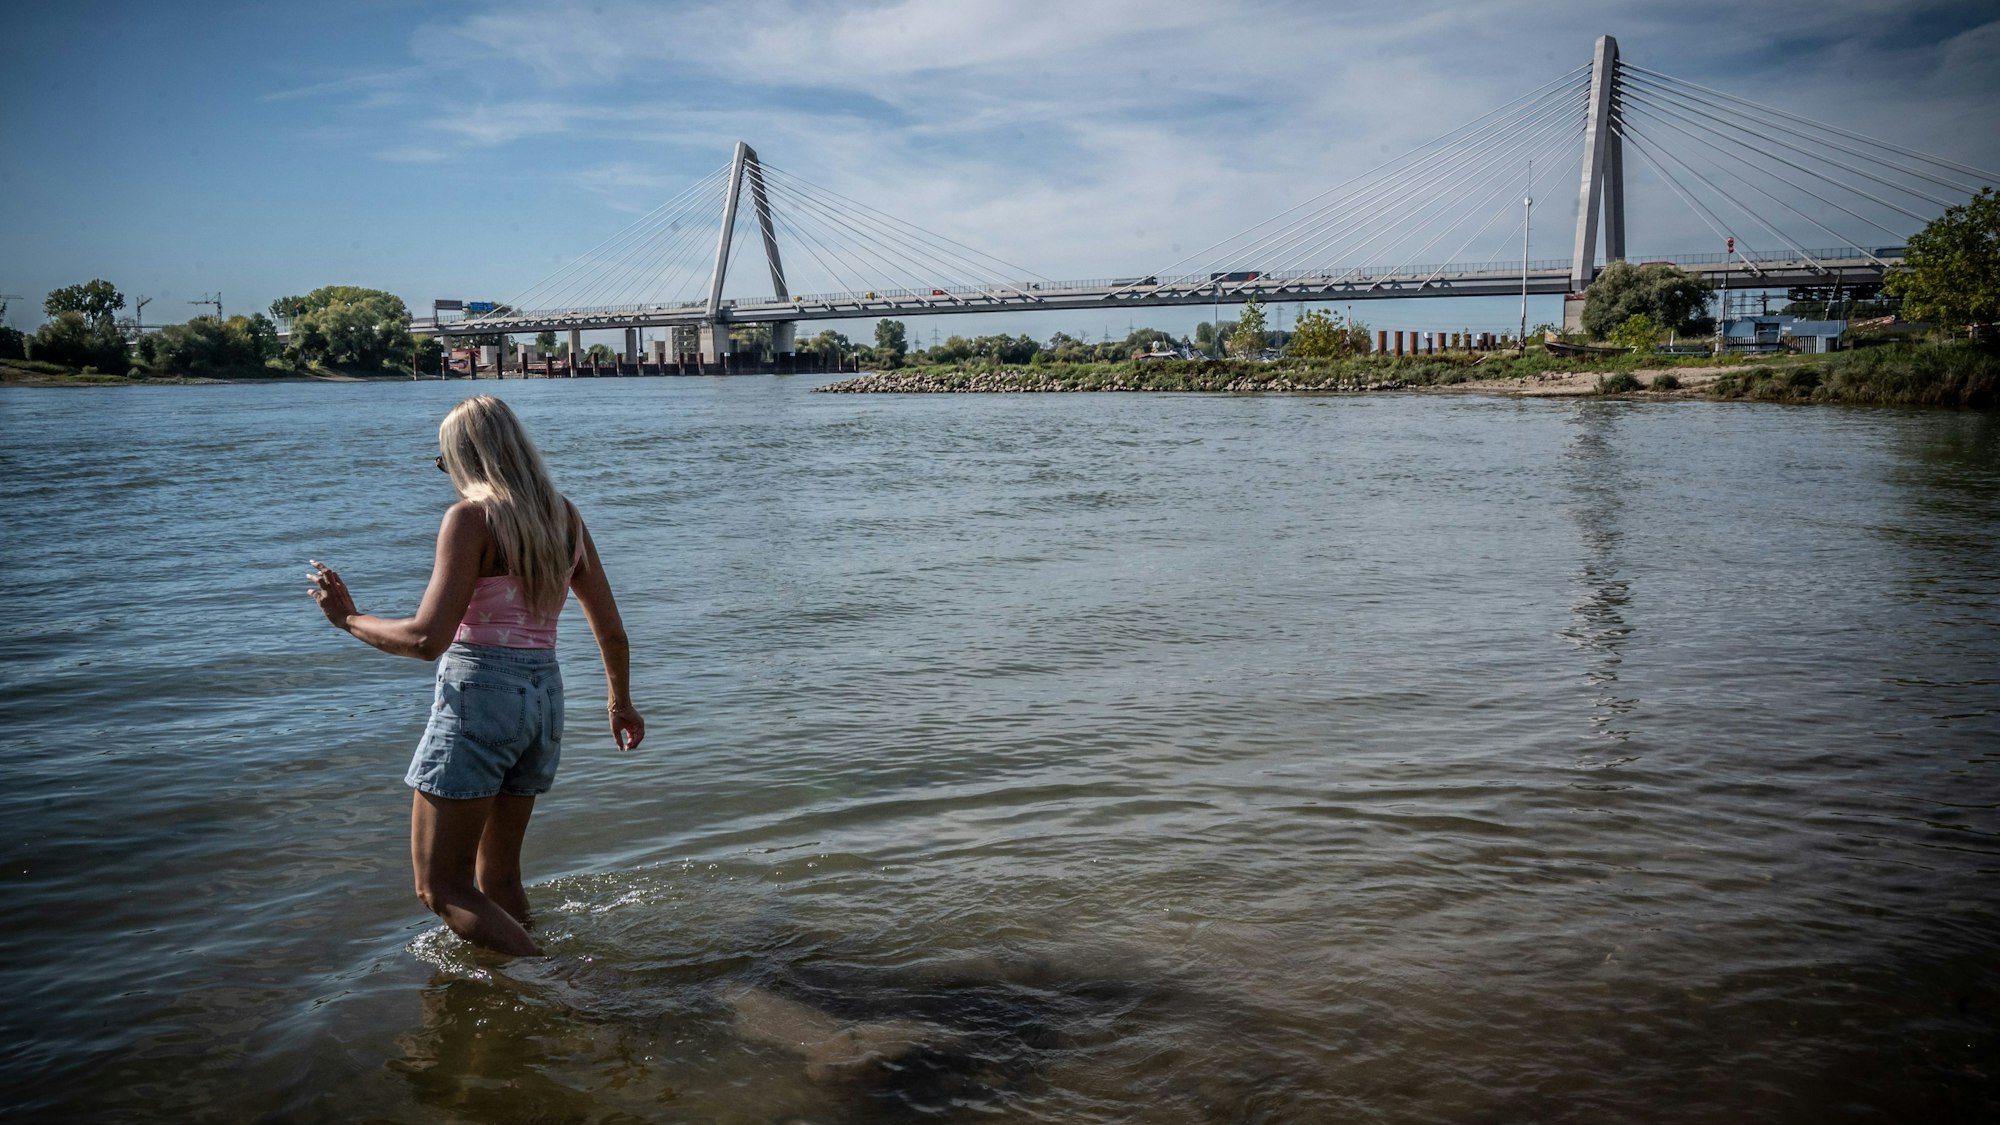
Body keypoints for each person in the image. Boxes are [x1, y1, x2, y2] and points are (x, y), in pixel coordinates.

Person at [307, 395, 643, 956]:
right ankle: (528, 986)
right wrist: (620, 704)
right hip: (545, 701)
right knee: (500, 880)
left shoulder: (471, 519)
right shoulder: (565, 518)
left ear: (465, 459)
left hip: (482, 698)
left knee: (440, 886)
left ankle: (561, 982)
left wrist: (349, 619)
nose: (447, 475)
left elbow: (425, 640)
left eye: (445, 462)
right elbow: (612, 632)